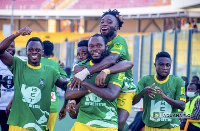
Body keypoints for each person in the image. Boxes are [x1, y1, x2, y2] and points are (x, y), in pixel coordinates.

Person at [70, 9, 136, 131]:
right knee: (80, 110)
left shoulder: (119, 40)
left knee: (119, 123)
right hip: (106, 83)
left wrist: (87, 72)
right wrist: (75, 66)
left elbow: (111, 60)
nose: (104, 24)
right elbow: (84, 56)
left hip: (124, 88)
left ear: (116, 27)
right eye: (102, 21)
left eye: (109, 22)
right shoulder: (98, 40)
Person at [0, 26, 68, 131]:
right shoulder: (18, 64)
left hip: (38, 125)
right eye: (30, 49)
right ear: (26, 51)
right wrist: (17, 33)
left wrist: (77, 82)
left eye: (37, 50)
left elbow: (64, 85)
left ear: (42, 52)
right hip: (18, 124)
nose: (34, 52)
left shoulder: (50, 71)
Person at [67, 34, 125, 131]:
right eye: (91, 46)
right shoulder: (80, 67)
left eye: (99, 45)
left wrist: (85, 84)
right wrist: (88, 90)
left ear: (106, 47)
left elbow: (111, 94)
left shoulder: (115, 67)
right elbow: (69, 93)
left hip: (107, 124)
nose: (95, 49)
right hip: (83, 123)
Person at [133, 51, 186, 131]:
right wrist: (142, 92)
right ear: (155, 65)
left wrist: (164, 97)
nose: (165, 68)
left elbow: (182, 105)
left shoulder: (178, 81)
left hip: (171, 128)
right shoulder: (145, 80)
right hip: (150, 127)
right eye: (161, 64)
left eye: (168, 65)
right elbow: (133, 101)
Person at [40, 40, 68, 131]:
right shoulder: (57, 64)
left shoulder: (34, 62)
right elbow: (64, 81)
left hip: (36, 103)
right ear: (52, 52)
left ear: (41, 50)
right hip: (52, 105)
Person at [0, 41, 15, 131]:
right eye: (8, 46)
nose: (10, 48)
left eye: (12, 46)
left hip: (10, 109)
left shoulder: (20, 63)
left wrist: (59, 66)